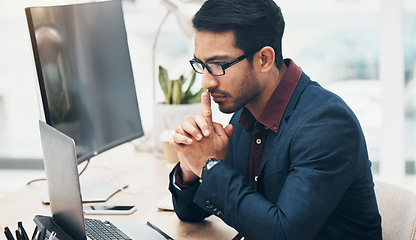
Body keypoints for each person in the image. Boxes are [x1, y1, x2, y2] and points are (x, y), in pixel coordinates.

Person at [168, 0, 382, 239]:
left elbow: (283, 234)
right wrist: (191, 167)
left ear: (264, 60)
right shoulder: (245, 111)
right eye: (201, 65)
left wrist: (210, 166)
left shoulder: (327, 125)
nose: (206, 82)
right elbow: (190, 213)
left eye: (218, 65)